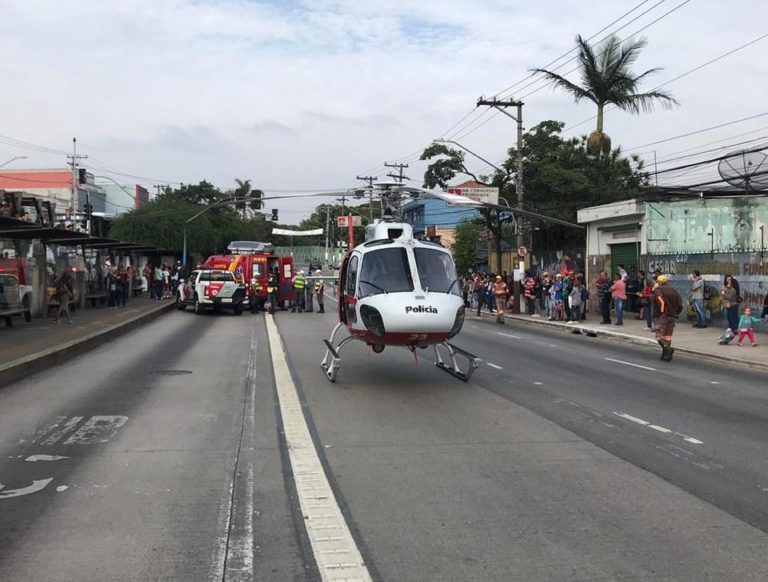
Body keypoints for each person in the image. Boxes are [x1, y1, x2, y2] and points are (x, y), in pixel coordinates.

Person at [653, 274, 683, 361]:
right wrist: (676, 313)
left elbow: (661, 301)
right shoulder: (674, 291)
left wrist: (662, 312)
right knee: (668, 337)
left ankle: (668, 349)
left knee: (659, 336)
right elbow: (680, 305)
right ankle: (665, 355)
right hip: (672, 316)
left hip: (662, 316)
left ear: (659, 282)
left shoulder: (658, 290)